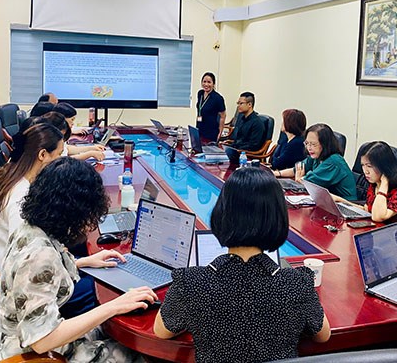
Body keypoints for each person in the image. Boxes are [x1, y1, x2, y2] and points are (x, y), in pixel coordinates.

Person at [153, 167, 331, 362]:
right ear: (277, 218)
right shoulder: (296, 283)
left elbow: (162, 331)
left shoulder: (192, 282)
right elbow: (322, 335)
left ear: (221, 214)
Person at [0, 158, 157, 363]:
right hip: (33, 355)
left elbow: (37, 277)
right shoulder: (39, 257)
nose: (89, 224)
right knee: (139, 354)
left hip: (18, 338)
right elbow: (42, 341)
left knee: (109, 324)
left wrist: (85, 262)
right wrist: (114, 305)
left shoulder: (30, 228)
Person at [0, 123, 64, 272]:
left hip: (20, 267)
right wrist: (76, 264)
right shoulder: (20, 197)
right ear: (42, 155)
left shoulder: (17, 176)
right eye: (59, 154)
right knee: (91, 283)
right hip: (8, 277)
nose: (61, 160)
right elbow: (25, 257)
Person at [275, 123, 357, 201]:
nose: (309, 148)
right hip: (327, 201)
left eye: (313, 144)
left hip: (345, 204)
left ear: (325, 144)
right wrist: (277, 174)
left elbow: (308, 183)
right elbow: (298, 169)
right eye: (307, 143)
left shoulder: (333, 162)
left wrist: (300, 179)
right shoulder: (317, 156)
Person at [360, 141, 397, 231]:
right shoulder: (374, 184)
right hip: (378, 231)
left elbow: (377, 217)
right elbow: (367, 209)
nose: (365, 171)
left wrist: (385, 182)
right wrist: (342, 202)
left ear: (384, 167)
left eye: (369, 166)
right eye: (363, 165)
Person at [223, 92, 265, 163]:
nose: (238, 106)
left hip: (246, 156)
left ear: (249, 105)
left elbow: (254, 145)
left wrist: (236, 149)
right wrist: (230, 147)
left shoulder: (257, 123)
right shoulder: (242, 119)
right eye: (238, 103)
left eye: (241, 103)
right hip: (236, 151)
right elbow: (238, 139)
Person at [195, 72, 226, 142]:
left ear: (213, 84)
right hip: (199, 129)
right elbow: (200, 109)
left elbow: (223, 116)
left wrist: (220, 132)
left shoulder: (218, 98)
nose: (206, 84)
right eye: (204, 81)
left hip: (211, 132)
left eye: (209, 82)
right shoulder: (200, 93)